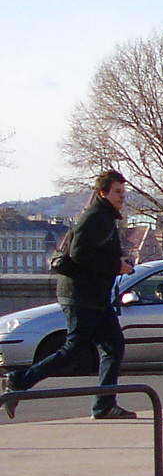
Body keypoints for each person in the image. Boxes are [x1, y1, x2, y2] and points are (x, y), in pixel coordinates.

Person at [2, 170, 137, 420]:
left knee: (113, 346)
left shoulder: (104, 217)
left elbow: (92, 253)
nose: (122, 197)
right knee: (74, 350)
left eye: (123, 192)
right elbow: (79, 254)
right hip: (81, 295)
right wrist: (116, 266)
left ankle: (104, 405)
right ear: (103, 193)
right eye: (117, 192)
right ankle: (18, 381)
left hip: (94, 296)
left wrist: (117, 260)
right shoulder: (96, 217)